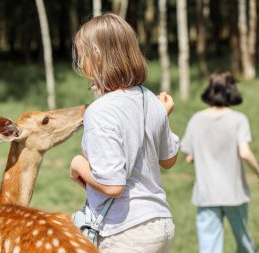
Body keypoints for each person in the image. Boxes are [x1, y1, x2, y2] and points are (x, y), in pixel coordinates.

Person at [69, 13, 180, 253]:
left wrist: (78, 165)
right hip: (160, 223)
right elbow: (169, 160)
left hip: (125, 232)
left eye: (82, 54)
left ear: (96, 55)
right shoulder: (149, 99)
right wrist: (161, 117)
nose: (80, 62)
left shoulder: (99, 111)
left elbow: (113, 185)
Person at [181, 71, 259, 253]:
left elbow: (189, 156)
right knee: (244, 241)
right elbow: (245, 153)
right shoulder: (238, 120)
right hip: (234, 193)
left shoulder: (196, 119)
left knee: (209, 247)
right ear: (232, 90)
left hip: (206, 194)